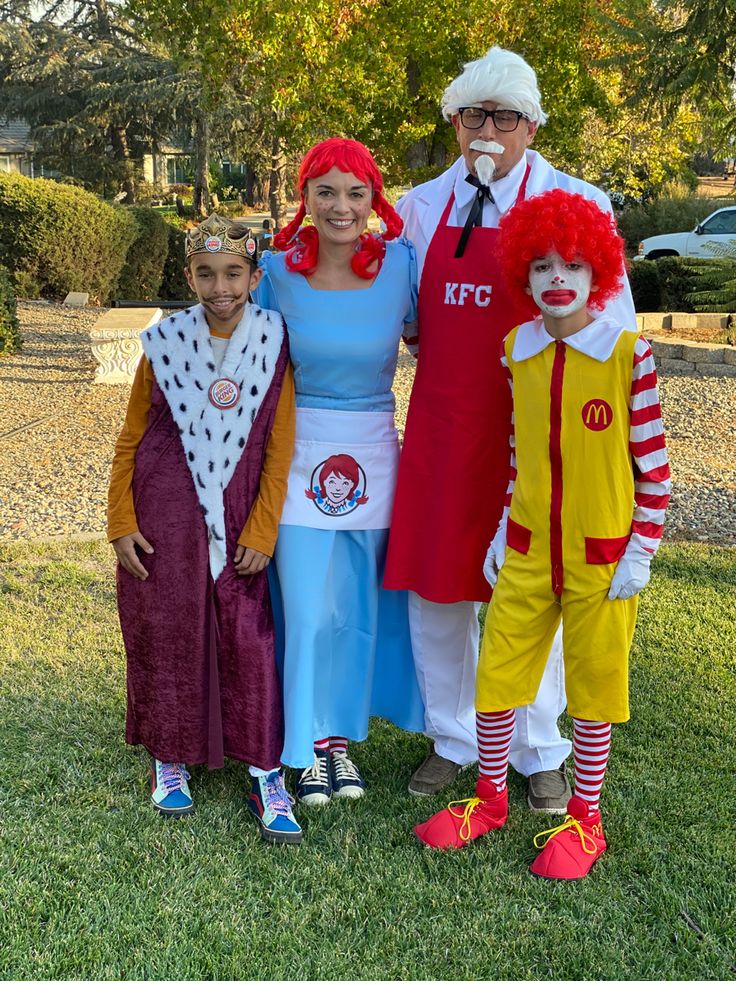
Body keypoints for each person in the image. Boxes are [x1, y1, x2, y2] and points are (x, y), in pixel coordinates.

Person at [384, 46, 637, 810]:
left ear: (531, 125)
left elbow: (614, 335)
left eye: (503, 117)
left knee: (542, 588)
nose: (485, 132)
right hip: (446, 423)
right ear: (455, 122)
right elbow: (409, 321)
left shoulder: (578, 199)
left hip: (546, 434)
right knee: (439, 589)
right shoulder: (421, 206)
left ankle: (537, 746)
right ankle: (453, 736)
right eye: (472, 116)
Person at [414, 189, 671, 879]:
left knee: (592, 690)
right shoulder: (515, 349)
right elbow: (520, 451)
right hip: (527, 549)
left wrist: (641, 546)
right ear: (523, 275)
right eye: (542, 266)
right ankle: (490, 799)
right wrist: (504, 524)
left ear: (599, 276)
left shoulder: (627, 354)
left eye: (574, 266)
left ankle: (586, 820)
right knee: (497, 677)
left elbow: (656, 469)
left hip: (604, 557)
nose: (558, 278)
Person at [108, 213, 302, 845]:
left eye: (234, 273)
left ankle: (264, 770)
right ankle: (170, 756)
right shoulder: (163, 344)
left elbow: (279, 444)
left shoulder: (274, 340)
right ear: (188, 275)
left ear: (253, 275)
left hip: (243, 504)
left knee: (249, 636)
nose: (220, 287)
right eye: (206, 273)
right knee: (167, 627)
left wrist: (264, 529)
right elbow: (132, 438)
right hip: (166, 506)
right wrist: (121, 520)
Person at [256, 138, 425, 809]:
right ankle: (301, 742)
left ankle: (339, 744)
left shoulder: (401, 267)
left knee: (355, 608)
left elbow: (433, 344)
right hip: (297, 457)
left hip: (375, 458)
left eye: (356, 191)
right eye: (326, 191)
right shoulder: (275, 271)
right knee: (305, 607)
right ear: (306, 197)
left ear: (374, 199)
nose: (341, 206)